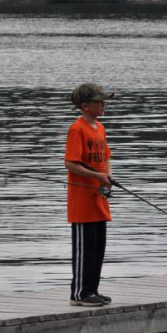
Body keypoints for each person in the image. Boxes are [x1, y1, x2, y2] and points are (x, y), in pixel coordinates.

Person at [64, 83, 115, 307]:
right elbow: (70, 163)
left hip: (99, 200)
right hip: (82, 203)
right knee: (84, 250)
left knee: (97, 248)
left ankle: (92, 290)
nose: (103, 105)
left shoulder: (100, 128)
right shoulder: (77, 129)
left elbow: (107, 157)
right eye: (99, 101)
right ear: (85, 106)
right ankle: (79, 293)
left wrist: (108, 178)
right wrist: (97, 177)